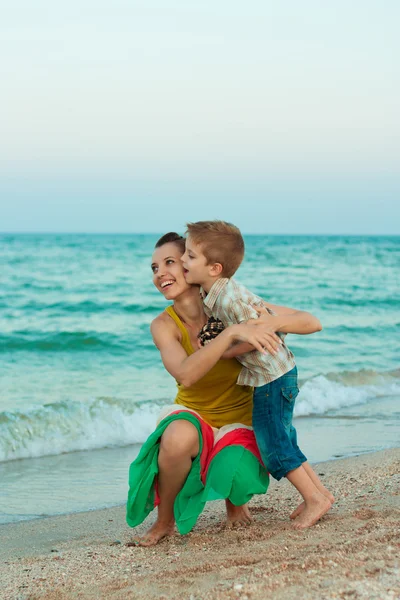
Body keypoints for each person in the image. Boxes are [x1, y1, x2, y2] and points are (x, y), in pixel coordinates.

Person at [126, 232, 321, 545]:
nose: (160, 272)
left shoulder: (231, 305)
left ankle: (236, 502)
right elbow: (186, 374)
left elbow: (310, 321)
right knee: (175, 438)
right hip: (195, 415)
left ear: (192, 266)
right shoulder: (163, 325)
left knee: (233, 473)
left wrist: (267, 324)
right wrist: (230, 335)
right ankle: (165, 521)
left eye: (171, 262)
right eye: (154, 267)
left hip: (242, 419)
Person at [181, 220, 334, 530]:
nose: (183, 260)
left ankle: (314, 499)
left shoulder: (228, 299)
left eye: (189, 256)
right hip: (279, 374)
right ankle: (319, 494)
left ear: (214, 268)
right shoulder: (219, 292)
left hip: (271, 379)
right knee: (285, 439)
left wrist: (225, 350)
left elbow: (257, 333)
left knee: (274, 447)